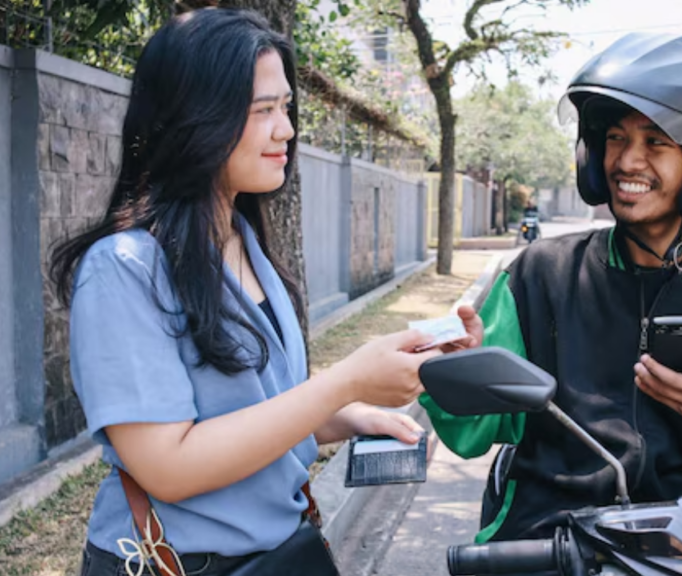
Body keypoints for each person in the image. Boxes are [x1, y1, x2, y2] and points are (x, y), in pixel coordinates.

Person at [50, 9, 446, 576]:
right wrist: (343, 381)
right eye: (263, 111)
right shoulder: (124, 269)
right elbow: (169, 466)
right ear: (197, 118)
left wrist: (352, 412)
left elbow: (256, 415)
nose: (285, 129)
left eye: (285, 108)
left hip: (277, 556)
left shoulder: (244, 242)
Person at [421, 32, 682, 550]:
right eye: (615, 138)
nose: (627, 162)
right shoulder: (540, 273)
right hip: (550, 542)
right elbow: (473, 435)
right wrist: (462, 373)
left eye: (656, 142)